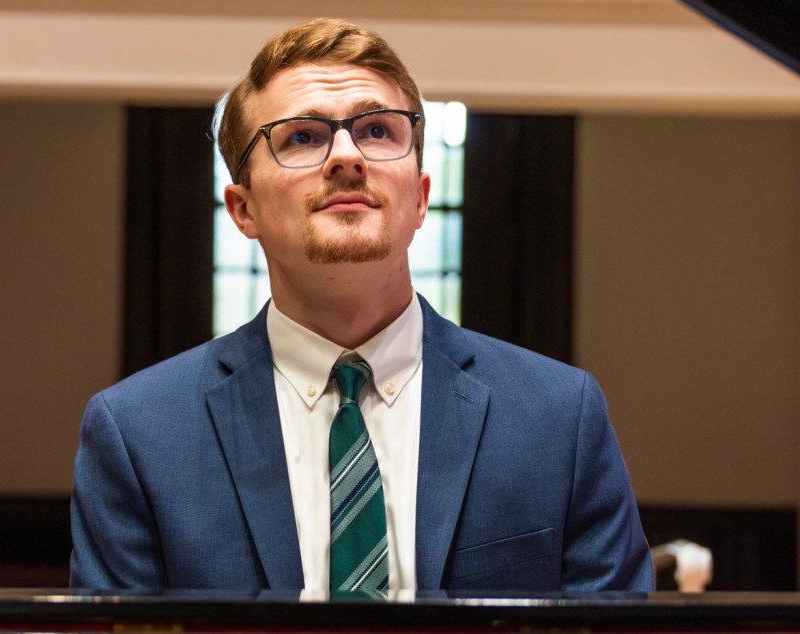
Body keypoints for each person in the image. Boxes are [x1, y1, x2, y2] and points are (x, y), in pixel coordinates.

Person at [70, 17, 653, 593]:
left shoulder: (559, 416)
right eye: (302, 137)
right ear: (244, 210)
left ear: (420, 197)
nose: (347, 156)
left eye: (376, 131)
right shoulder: (138, 433)